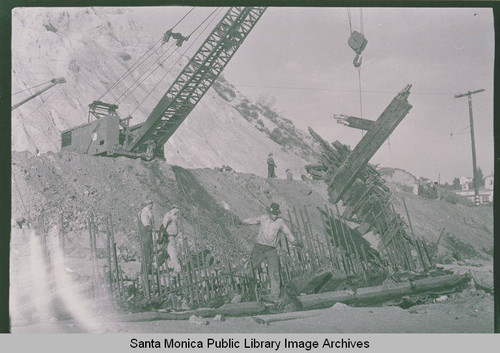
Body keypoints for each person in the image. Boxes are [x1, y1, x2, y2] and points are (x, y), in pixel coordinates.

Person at [243, 202, 301, 301]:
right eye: (273, 214)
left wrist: (295, 241)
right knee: (250, 268)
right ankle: (248, 291)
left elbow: (288, 233)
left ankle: (274, 294)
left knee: (274, 272)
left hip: (271, 250)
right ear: (269, 213)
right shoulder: (263, 218)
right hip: (259, 248)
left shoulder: (280, 222)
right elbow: (253, 220)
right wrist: (242, 221)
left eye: (276, 214)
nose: (274, 216)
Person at [138, 200, 154, 296]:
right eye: (151, 204)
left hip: (145, 234)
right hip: (146, 234)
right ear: (149, 204)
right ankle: (145, 269)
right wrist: (150, 229)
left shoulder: (143, 212)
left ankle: (146, 268)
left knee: (147, 251)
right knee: (147, 251)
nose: (152, 205)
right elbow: (146, 224)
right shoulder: (145, 212)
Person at [158, 205, 181, 274]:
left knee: (165, 254)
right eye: (178, 209)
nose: (179, 211)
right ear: (174, 208)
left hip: (170, 236)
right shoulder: (169, 215)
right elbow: (164, 225)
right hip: (168, 237)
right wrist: (162, 236)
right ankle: (177, 268)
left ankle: (155, 266)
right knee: (173, 252)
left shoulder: (175, 216)